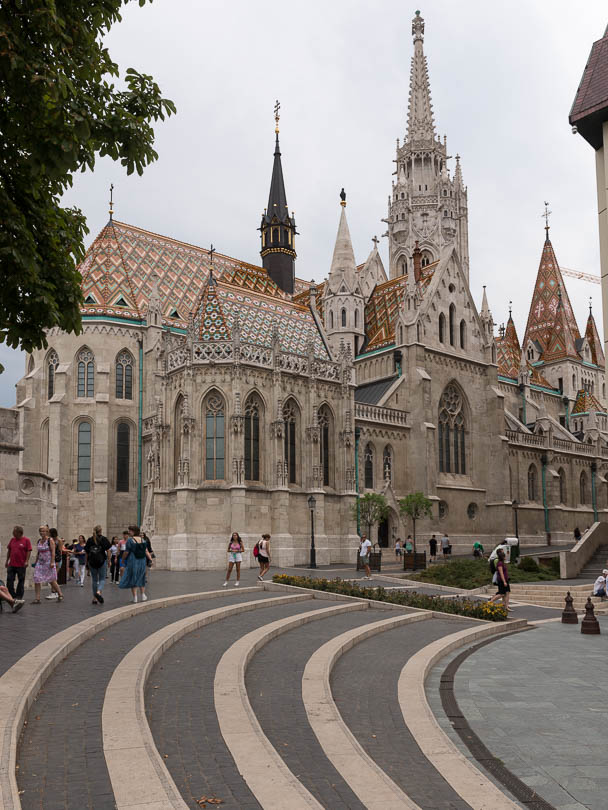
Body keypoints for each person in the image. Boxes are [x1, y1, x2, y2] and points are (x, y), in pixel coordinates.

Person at [119, 525, 153, 603]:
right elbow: (146, 551)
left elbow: (126, 552)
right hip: (142, 560)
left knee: (133, 577)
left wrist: (123, 560)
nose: (129, 532)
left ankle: (135, 597)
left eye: (130, 531)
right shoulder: (143, 540)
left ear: (133, 531)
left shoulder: (130, 540)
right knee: (141, 576)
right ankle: (143, 595)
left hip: (133, 560)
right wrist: (150, 559)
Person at [32, 525, 63, 603]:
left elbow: (53, 552)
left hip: (48, 562)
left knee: (51, 579)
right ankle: (37, 598)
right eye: (40, 531)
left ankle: (60, 594)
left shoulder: (50, 540)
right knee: (36, 578)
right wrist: (35, 562)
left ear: (47, 532)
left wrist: (52, 562)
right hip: (40, 563)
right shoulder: (39, 541)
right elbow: (38, 553)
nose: (42, 532)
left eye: (43, 531)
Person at [85, 525, 111, 605]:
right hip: (101, 561)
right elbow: (108, 551)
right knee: (102, 579)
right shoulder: (104, 539)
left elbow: (86, 552)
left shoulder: (90, 539)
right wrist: (109, 561)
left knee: (94, 580)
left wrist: (87, 562)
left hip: (92, 562)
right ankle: (99, 592)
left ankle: (95, 598)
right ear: (101, 530)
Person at [5, 525, 32, 600]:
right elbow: (9, 550)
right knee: (9, 580)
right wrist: (7, 561)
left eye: (14, 531)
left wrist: (26, 561)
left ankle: (19, 596)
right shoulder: (12, 540)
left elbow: (29, 551)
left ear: (19, 533)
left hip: (21, 565)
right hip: (11, 564)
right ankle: (12, 596)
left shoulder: (26, 540)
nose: (13, 533)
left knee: (21, 580)